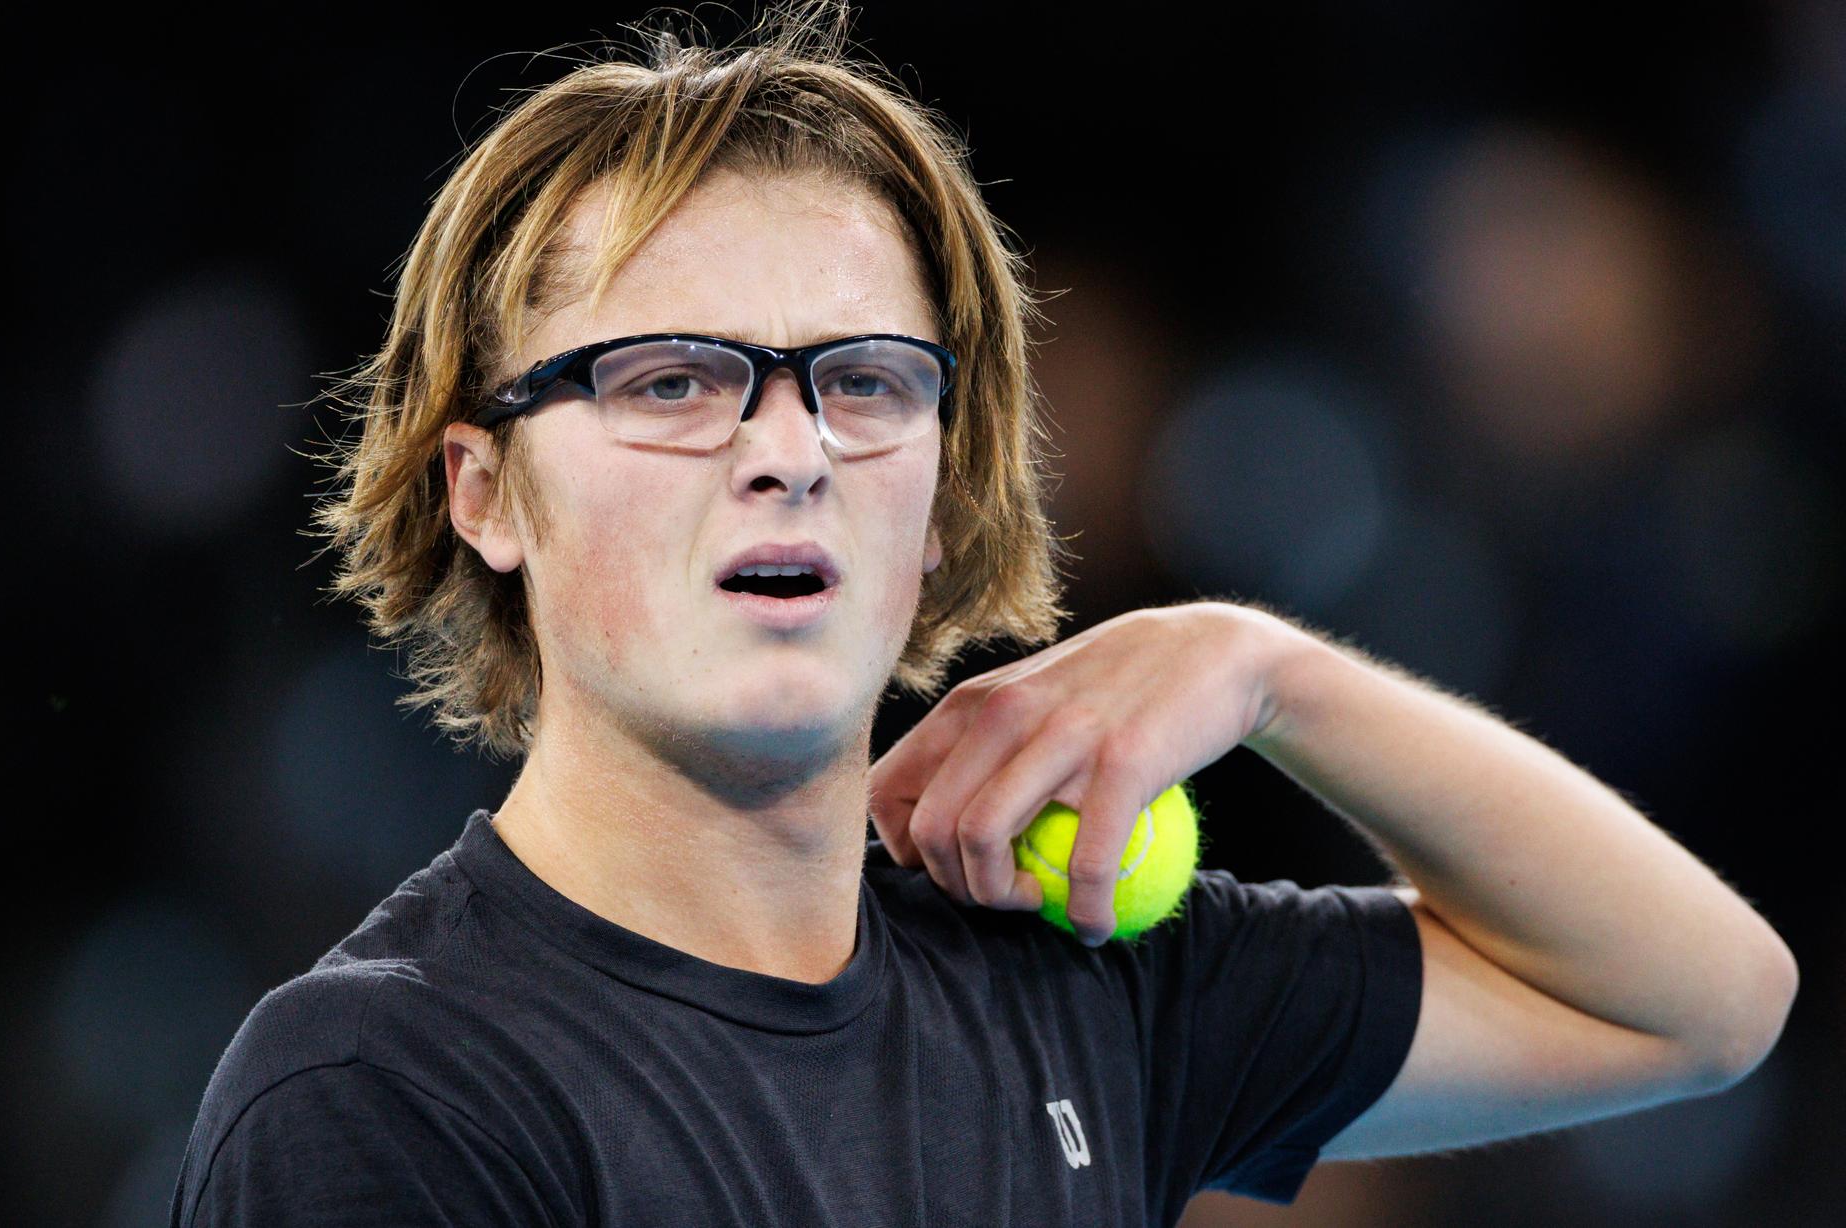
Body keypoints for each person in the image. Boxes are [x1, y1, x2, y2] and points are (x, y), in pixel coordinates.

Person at [172, 3, 1799, 1224]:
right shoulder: (378, 1094)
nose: (791, 449)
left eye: (866, 384)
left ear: (946, 494)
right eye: (672, 380)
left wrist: (1267, 672)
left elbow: (1701, 997)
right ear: (483, 491)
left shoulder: (1080, 992)